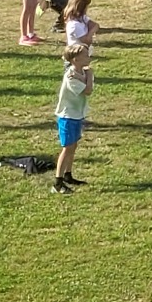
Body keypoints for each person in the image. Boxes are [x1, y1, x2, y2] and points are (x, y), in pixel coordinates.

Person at [50, 42, 93, 193]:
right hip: (67, 117)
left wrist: (87, 76)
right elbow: (88, 91)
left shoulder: (79, 71)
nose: (89, 58)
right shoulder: (71, 76)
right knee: (67, 148)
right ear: (75, 59)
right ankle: (58, 183)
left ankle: (68, 175)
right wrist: (90, 76)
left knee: (73, 146)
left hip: (76, 115)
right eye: (85, 56)